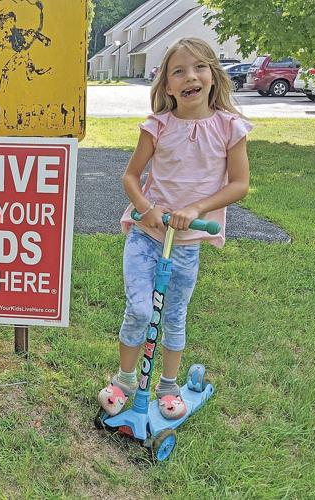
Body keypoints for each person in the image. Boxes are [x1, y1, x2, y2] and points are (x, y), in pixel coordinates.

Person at [98, 38, 251, 420]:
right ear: (167, 86)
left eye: (199, 67)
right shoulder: (158, 126)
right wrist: (146, 209)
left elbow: (239, 184)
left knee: (174, 315)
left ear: (213, 75)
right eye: (178, 71)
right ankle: (125, 380)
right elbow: (132, 176)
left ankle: (168, 385)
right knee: (138, 309)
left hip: (187, 242)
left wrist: (196, 208)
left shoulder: (229, 127)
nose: (190, 77)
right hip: (146, 235)